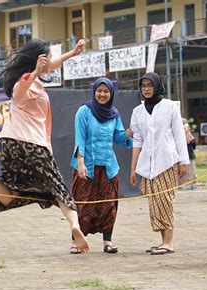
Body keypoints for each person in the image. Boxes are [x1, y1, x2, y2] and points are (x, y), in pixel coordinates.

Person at [0, 38, 90, 253]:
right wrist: (34, 73)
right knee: (60, 189)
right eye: (46, 58)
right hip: (32, 146)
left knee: (12, 194)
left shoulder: (29, 78)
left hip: (8, 145)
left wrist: (72, 53)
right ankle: (75, 226)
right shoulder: (24, 81)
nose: (50, 62)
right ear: (36, 61)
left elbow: (50, 65)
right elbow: (20, 90)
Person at [69, 77, 133, 254]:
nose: (102, 94)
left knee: (109, 205)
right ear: (94, 91)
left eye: (106, 91)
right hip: (86, 167)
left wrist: (130, 132)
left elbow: (119, 137)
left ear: (111, 93)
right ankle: (76, 241)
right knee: (82, 204)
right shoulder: (84, 111)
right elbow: (79, 139)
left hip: (108, 167)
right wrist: (80, 163)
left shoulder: (114, 114)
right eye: (100, 90)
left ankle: (108, 241)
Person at [130, 72, 189, 255]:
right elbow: (137, 140)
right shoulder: (137, 112)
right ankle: (162, 241)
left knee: (165, 200)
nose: (146, 89)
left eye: (150, 85)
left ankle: (168, 242)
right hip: (147, 166)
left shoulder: (170, 107)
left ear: (157, 86)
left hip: (168, 161)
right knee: (154, 203)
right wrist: (133, 168)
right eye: (143, 85)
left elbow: (179, 135)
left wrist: (183, 161)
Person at [179, 118, 197, 190]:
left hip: (189, 155)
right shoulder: (179, 135)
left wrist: (191, 140)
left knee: (191, 170)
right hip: (181, 157)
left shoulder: (189, 136)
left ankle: (192, 184)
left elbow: (193, 146)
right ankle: (181, 185)